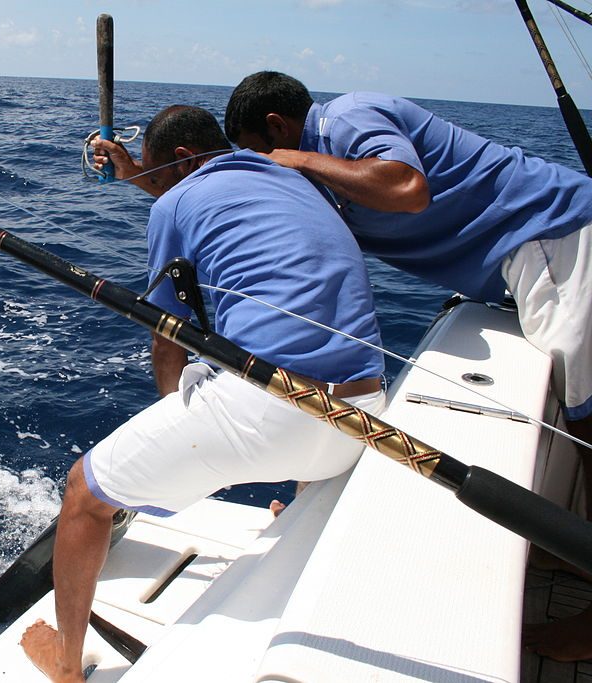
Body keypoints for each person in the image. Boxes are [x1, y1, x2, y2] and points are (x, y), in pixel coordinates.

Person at [222, 71, 592, 663]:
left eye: (263, 153)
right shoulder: (327, 176)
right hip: (528, 264)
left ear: (278, 129)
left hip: (558, 238)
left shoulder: (345, 118)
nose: (271, 168)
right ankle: (577, 547)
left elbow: (405, 187)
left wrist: (297, 158)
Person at [20, 105, 385, 682]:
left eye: (157, 174)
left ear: (185, 160)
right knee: (299, 352)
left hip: (270, 417)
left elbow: (168, 340)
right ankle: (291, 500)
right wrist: (139, 173)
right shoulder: (293, 178)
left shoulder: (171, 202)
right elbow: (201, 200)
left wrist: (176, 431)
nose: (155, 188)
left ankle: (65, 664)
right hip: (360, 419)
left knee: (85, 491)